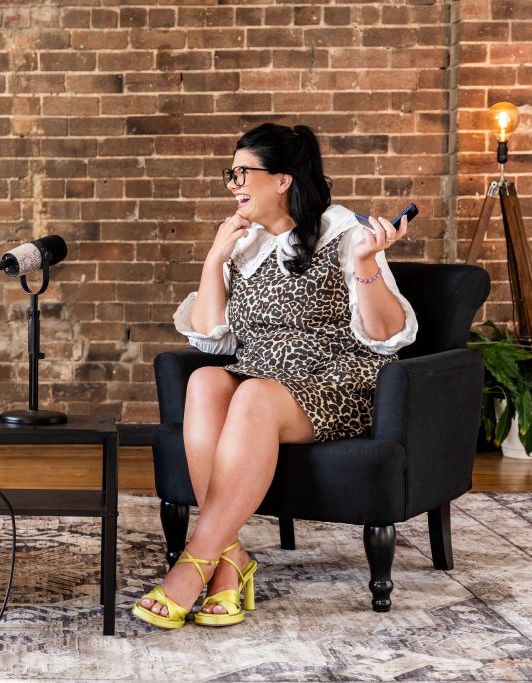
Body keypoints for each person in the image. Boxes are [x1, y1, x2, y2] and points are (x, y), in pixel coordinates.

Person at [133, 123, 418, 629]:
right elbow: (209, 335)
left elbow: (387, 334)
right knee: (205, 381)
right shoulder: (246, 244)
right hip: (262, 376)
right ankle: (230, 564)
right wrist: (215, 256)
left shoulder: (344, 232)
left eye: (243, 172)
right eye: (232, 173)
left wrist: (366, 262)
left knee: (253, 397)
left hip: (335, 379)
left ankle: (193, 565)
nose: (234, 183)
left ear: (283, 179)